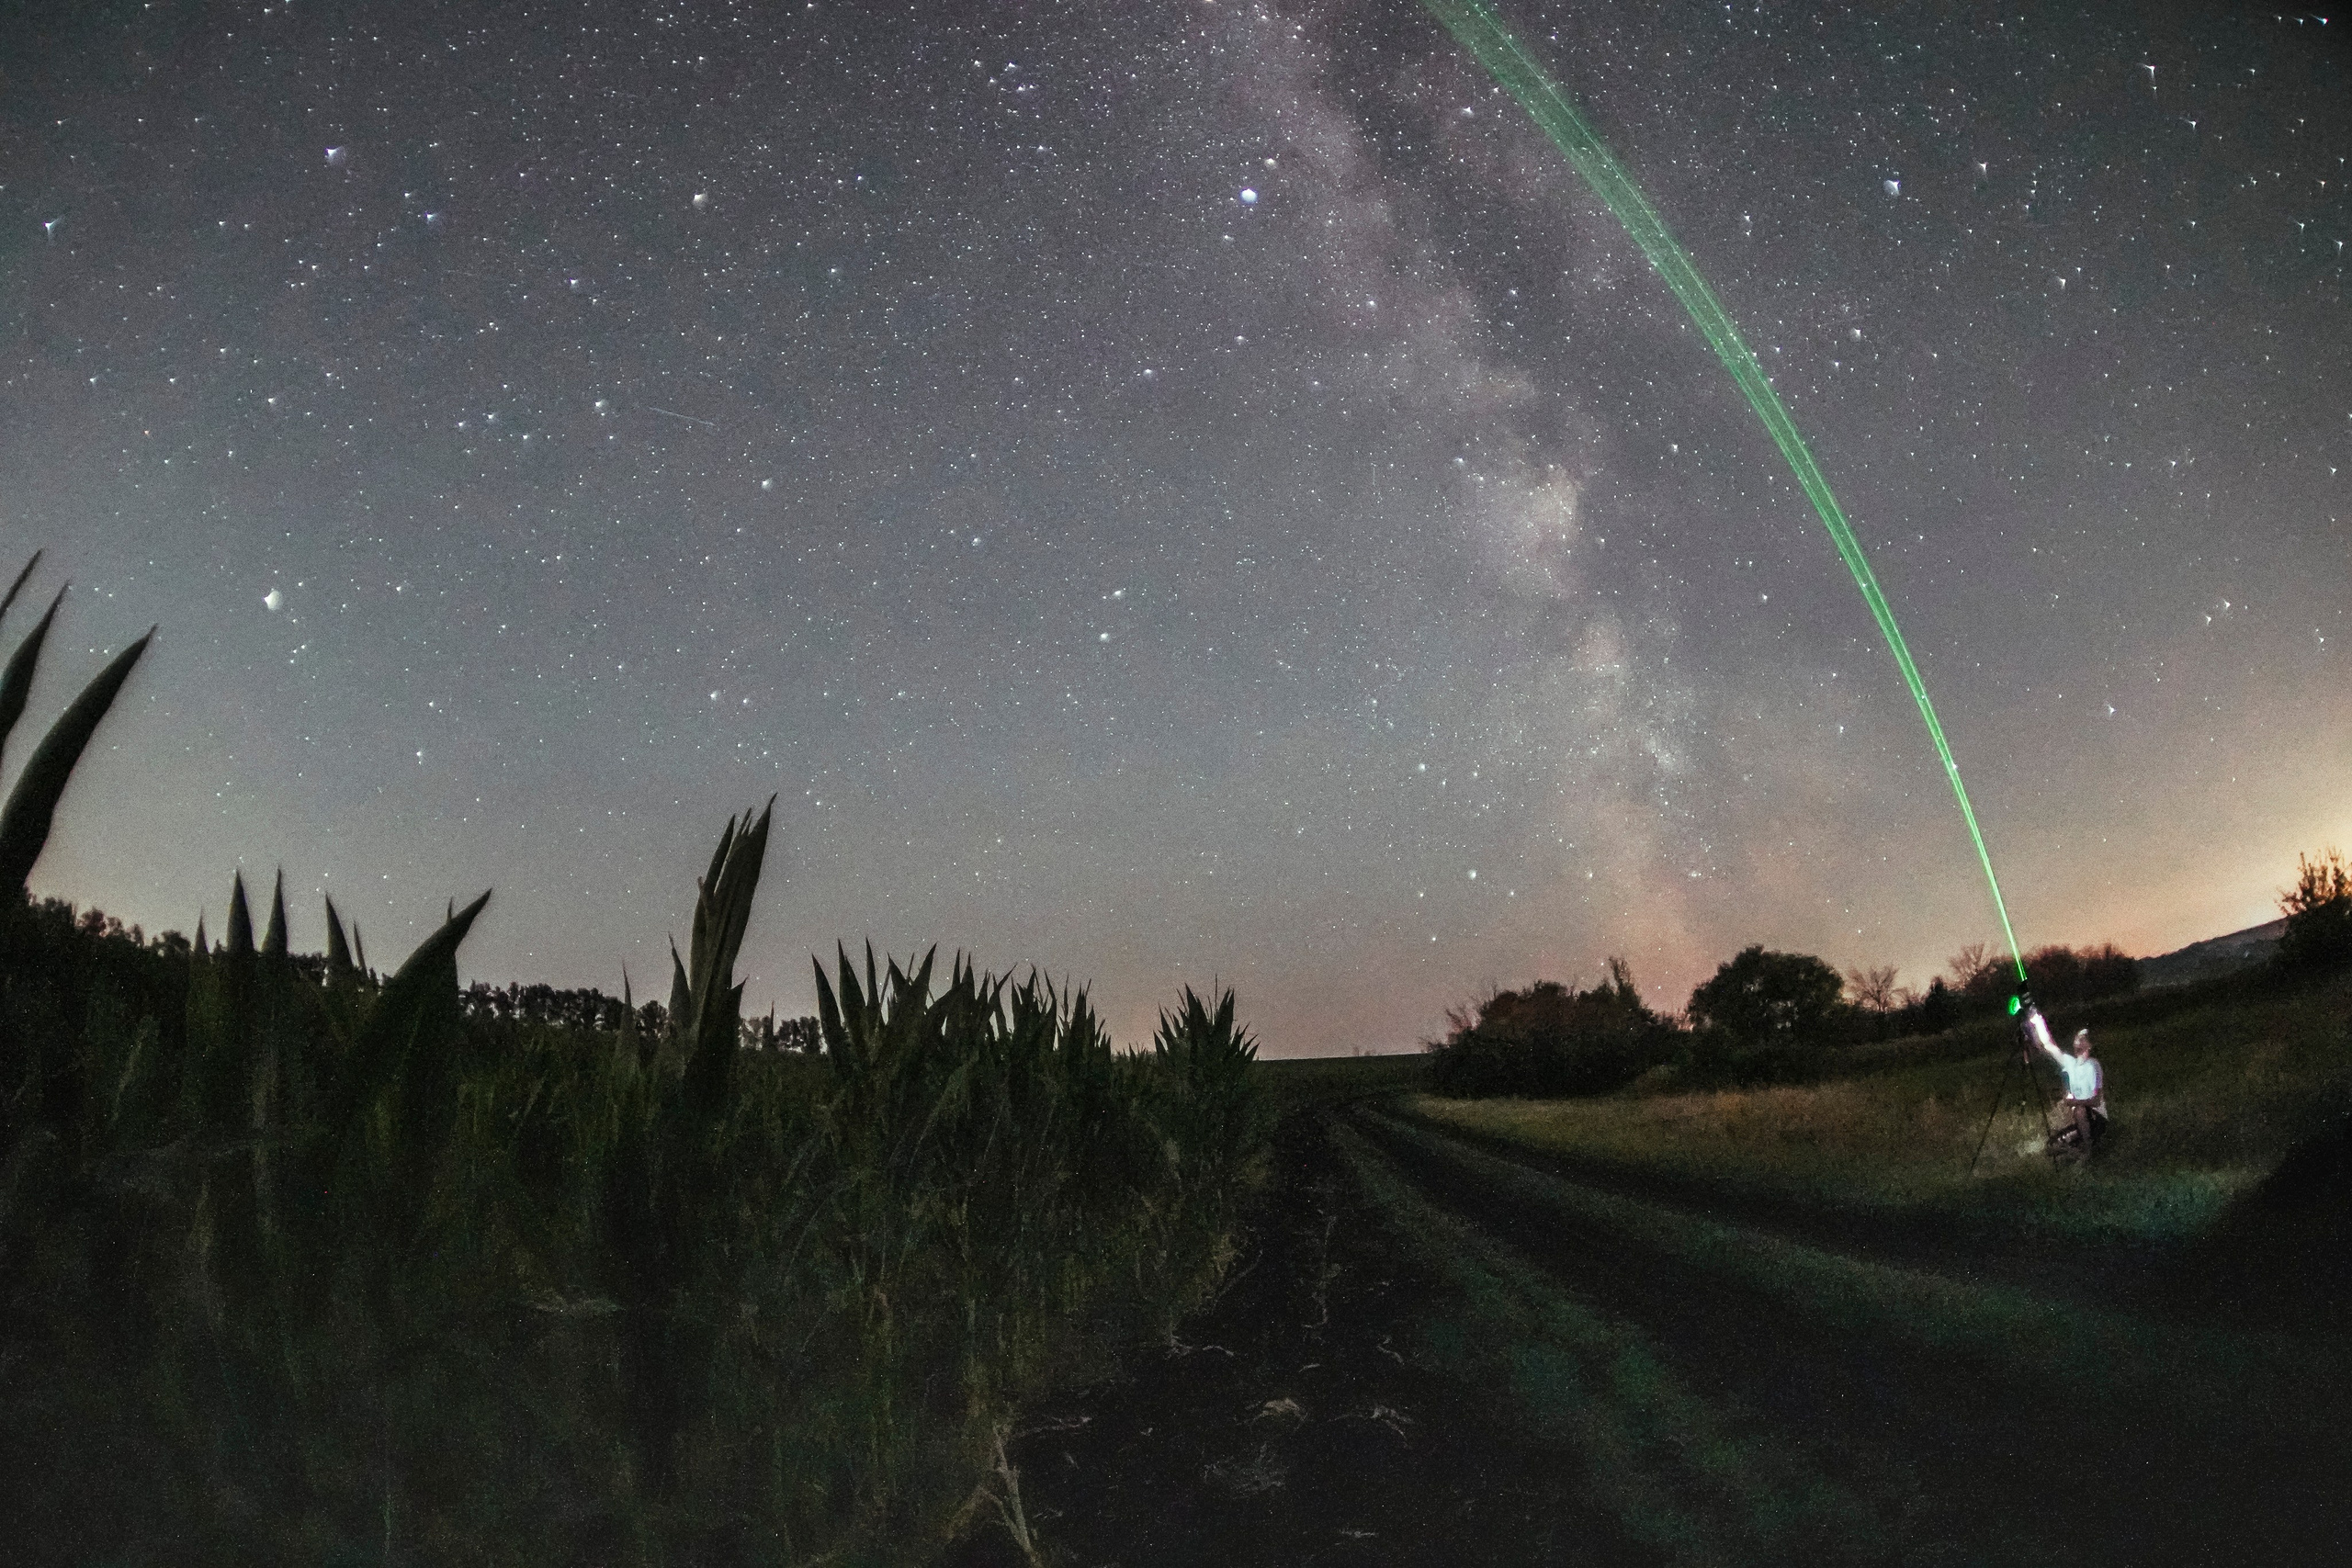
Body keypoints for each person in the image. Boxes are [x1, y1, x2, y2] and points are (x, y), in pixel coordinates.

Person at [2020, 1004, 2106, 1158]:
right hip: (2081, 1122)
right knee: (2052, 1147)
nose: (2078, 1040)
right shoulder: (2070, 1063)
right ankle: (2081, 1155)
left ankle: (2088, 1150)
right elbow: (2048, 1045)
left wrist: (2075, 1102)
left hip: (2096, 1120)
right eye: (2077, 1037)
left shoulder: (2093, 1066)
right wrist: (2038, 1021)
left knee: (2079, 1110)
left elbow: (2096, 1100)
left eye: (2083, 1038)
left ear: (2090, 1045)